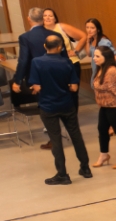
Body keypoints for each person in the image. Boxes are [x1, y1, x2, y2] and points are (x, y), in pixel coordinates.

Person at [29, 35, 91, 185]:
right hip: (67, 105)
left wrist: (37, 89)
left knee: (56, 140)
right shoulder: (67, 63)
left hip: (48, 106)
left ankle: (62, 174)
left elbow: (36, 86)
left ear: (45, 46)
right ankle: (85, 168)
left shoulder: (37, 62)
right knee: (76, 136)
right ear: (60, 48)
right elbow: (74, 87)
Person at [90, 46, 116, 169]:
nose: (94, 58)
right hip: (104, 105)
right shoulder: (100, 69)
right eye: (94, 56)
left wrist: (115, 90)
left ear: (106, 57)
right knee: (102, 129)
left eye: (97, 56)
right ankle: (104, 155)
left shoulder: (113, 71)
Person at [11, 8, 53, 96]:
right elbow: (64, 57)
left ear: (28, 19)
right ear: (43, 18)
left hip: (36, 76)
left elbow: (24, 60)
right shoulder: (55, 35)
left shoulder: (25, 37)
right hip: (57, 73)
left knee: (43, 102)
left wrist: (17, 80)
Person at [78, 19, 114, 83]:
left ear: (98, 29)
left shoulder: (104, 41)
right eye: (87, 27)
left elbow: (115, 56)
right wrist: (88, 41)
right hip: (95, 68)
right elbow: (89, 54)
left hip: (104, 70)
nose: (89, 30)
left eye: (92, 28)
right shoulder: (92, 40)